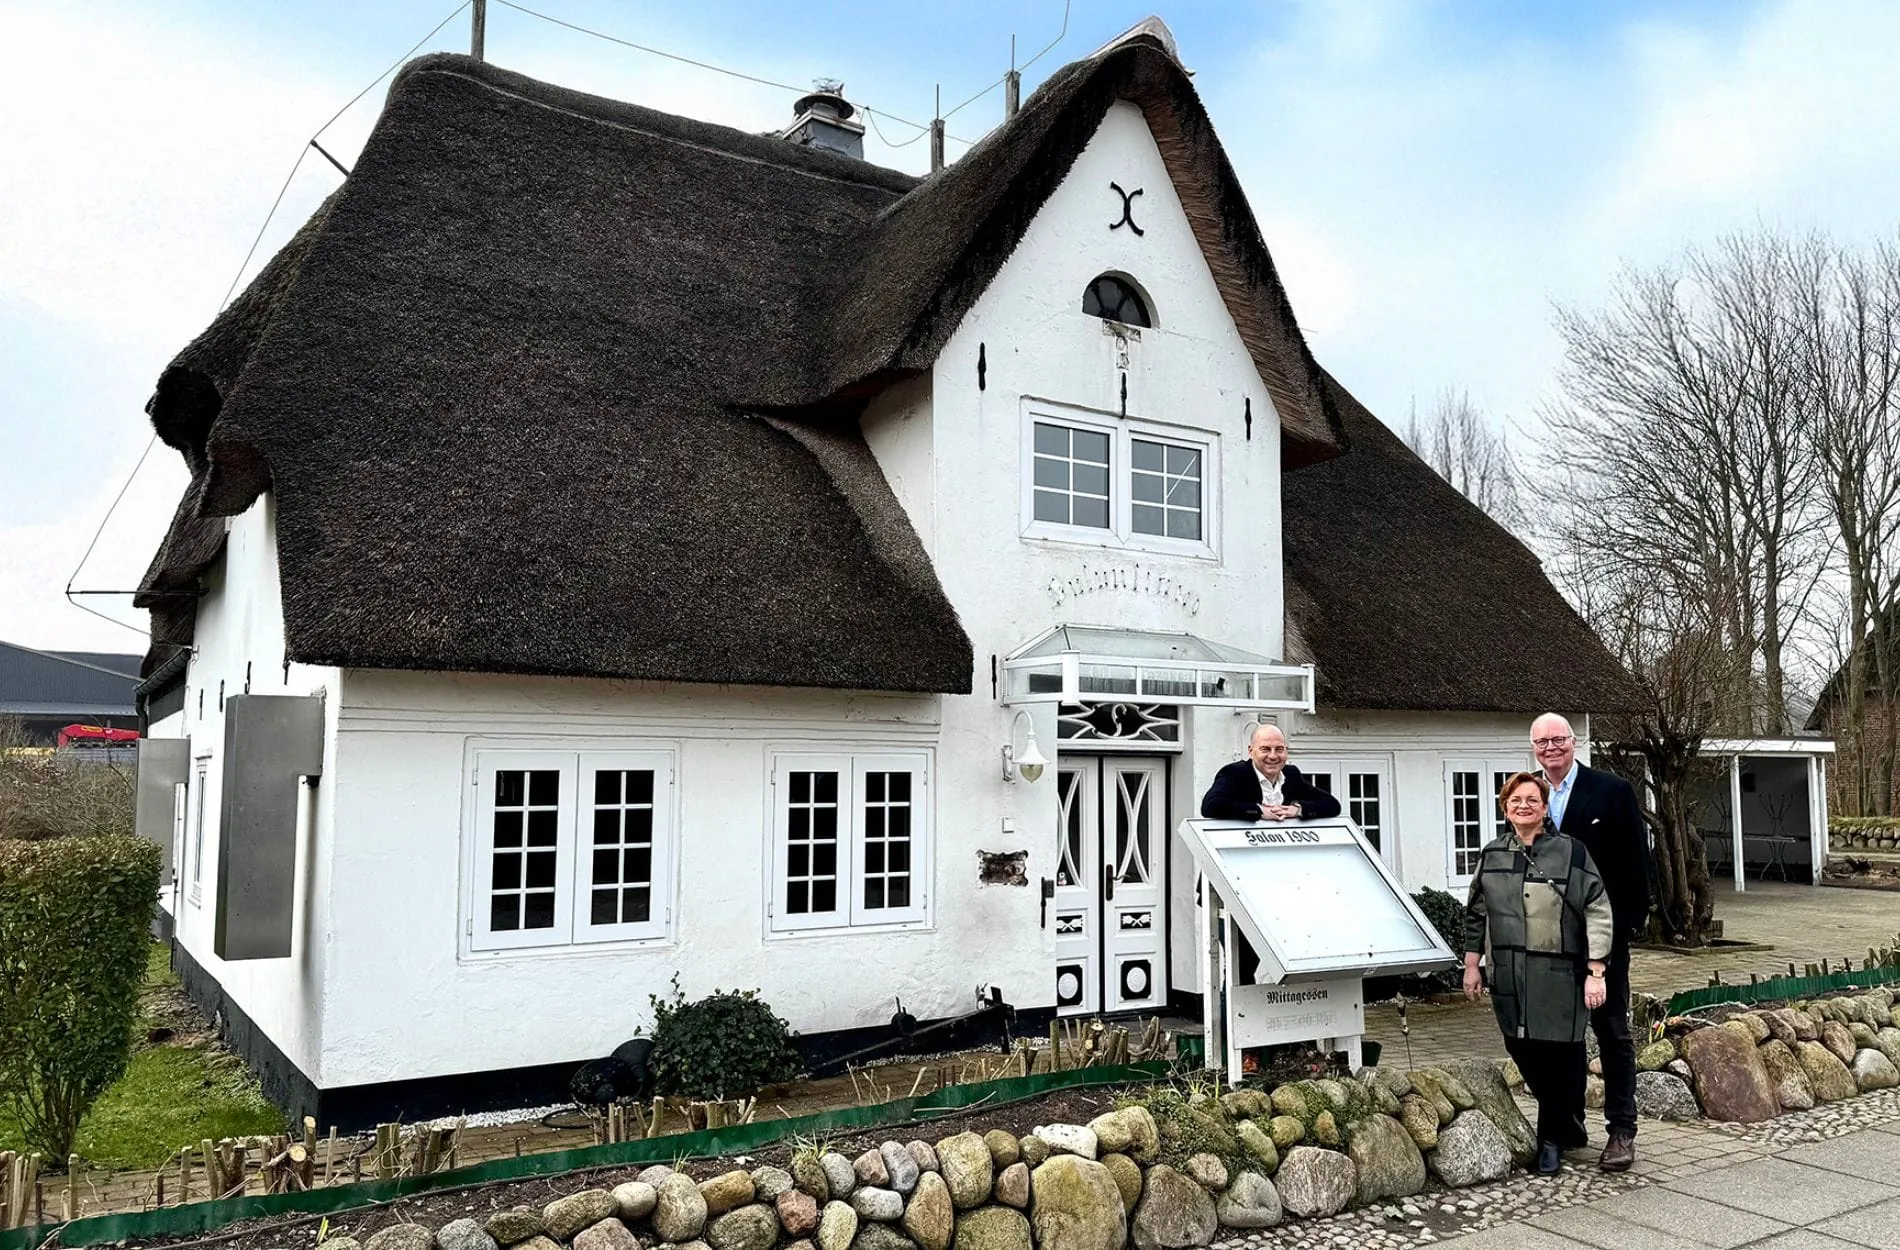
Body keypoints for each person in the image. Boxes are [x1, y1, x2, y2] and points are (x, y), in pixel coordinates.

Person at [1463, 771, 1614, 1176]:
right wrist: (1472, 965)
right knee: (1520, 1048)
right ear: (1505, 808)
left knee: (1559, 1056)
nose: (1523, 806)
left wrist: (1596, 969)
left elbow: (1598, 909)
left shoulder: (1572, 852)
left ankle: (1550, 1142)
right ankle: (1567, 1123)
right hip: (1508, 975)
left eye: (1532, 799)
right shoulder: (1492, 854)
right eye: (1515, 800)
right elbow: (1475, 913)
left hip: (1559, 974)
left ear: (1545, 807)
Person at [1530, 712, 1651, 1172]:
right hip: (1550, 938)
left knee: (1611, 1030)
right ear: (1534, 748)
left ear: (1573, 742)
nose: (1551, 748)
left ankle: (1622, 1129)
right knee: (1562, 1036)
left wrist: (1627, 927)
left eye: (1558, 739)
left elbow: (1636, 860)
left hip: (1603, 934)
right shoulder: (1530, 793)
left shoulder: (1611, 790)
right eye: (1542, 742)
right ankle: (1569, 1123)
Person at [1200, 723, 1342, 822]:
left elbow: (1332, 804)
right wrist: (1260, 811)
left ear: (1286, 751)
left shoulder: (1291, 774)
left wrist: (1297, 809)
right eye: (1265, 749)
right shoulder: (1234, 773)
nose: (1273, 756)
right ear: (1251, 751)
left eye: (1279, 749)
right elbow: (1210, 806)